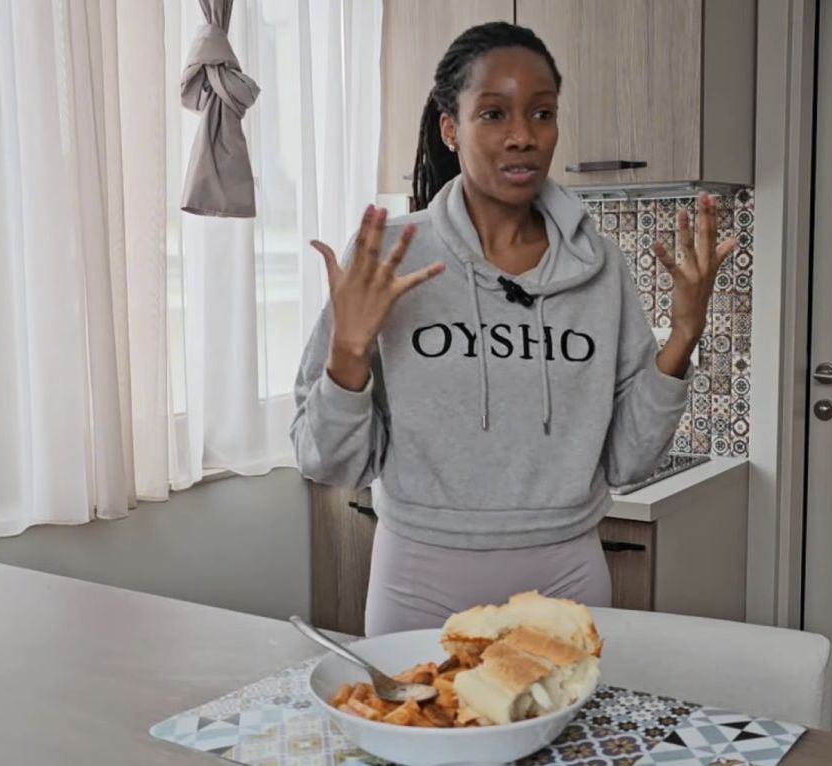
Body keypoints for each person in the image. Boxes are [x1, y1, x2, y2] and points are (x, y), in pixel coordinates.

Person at [291, 22, 733, 636]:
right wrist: (347, 352)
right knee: (413, 703)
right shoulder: (391, 254)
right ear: (450, 128)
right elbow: (326, 460)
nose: (523, 136)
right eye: (494, 113)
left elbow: (629, 462)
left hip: (566, 575)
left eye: (542, 113)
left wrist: (682, 338)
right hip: (419, 577)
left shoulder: (600, 268)